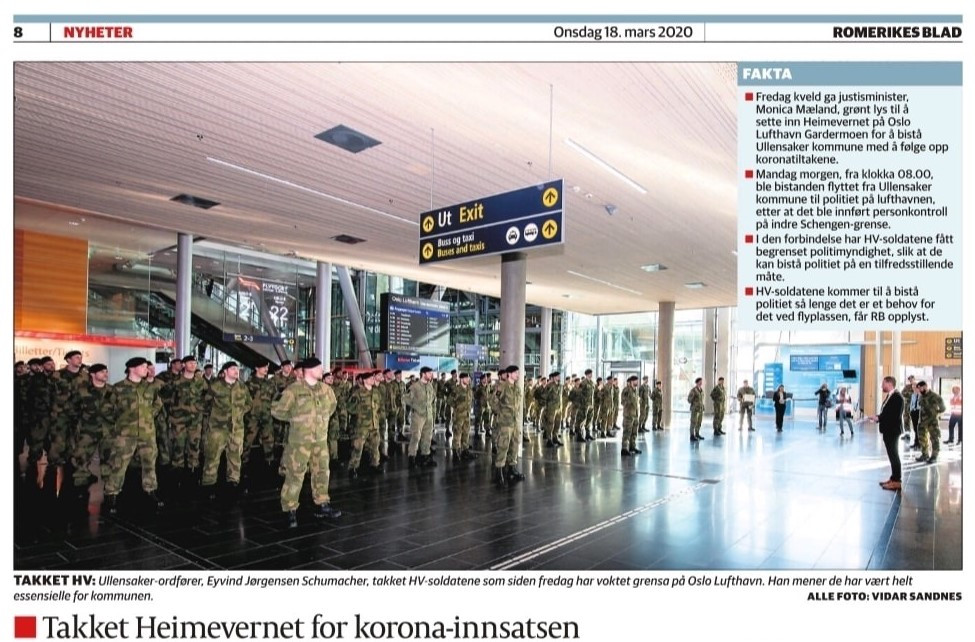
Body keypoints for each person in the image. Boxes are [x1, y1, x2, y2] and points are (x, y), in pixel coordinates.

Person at [271, 357, 341, 528]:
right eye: (319, 368)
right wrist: (297, 421)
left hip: (320, 439)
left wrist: (320, 421)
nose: (322, 370)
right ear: (309, 370)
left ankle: (322, 503)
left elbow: (332, 407)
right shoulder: (293, 390)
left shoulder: (326, 390)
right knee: (295, 474)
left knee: (322, 472)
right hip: (299, 441)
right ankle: (289, 509)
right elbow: (277, 410)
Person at [103, 357, 164, 514]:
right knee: (119, 464)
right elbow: (107, 409)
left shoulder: (150, 387)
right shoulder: (118, 388)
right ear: (132, 368)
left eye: (146, 367)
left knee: (149, 464)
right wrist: (121, 422)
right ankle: (111, 494)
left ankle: (150, 490)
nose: (146, 369)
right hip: (125, 434)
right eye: (143, 367)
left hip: (147, 433)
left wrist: (148, 416)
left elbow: (158, 404)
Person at [201, 362, 252, 498]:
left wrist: (240, 412)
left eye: (237, 369)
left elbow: (249, 403)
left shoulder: (242, 387)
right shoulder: (215, 386)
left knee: (235, 457)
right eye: (233, 369)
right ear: (225, 371)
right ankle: (209, 484)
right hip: (218, 428)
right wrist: (216, 415)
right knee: (212, 456)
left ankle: (233, 482)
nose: (236, 371)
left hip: (237, 429)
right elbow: (205, 403)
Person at [488, 365, 525, 487]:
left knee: (514, 446)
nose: (517, 375)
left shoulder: (517, 388)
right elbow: (492, 400)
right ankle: (498, 473)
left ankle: (512, 469)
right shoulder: (502, 386)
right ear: (509, 374)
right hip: (505, 423)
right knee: (503, 446)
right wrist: (499, 412)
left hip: (515, 422)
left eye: (518, 373)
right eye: (515, 373)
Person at [869, 376, 905, 491]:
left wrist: (879, 418)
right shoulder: (890, 396)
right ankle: (893, 478)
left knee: (894, 455)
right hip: (888, 430)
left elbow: (894, 416)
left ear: (889, 384)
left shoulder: (897, 397)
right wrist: (878, 417)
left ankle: (897, 481)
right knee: (892, 455)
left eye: (883, 383)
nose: (882, 386)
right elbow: (887, 412)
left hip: (892, 430)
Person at [406, 366, 437, 469]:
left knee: (427, 437)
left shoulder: (430, 386)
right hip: (418, 416)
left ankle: (425, 456)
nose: (431, 375)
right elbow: (406, 399)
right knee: (416, 437)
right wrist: (417, 407)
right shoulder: (415, 387)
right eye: (429, 373)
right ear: (423, 374)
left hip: (428, 415)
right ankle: (412, 458)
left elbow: (433, 397)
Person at [915, 381, 946, 464]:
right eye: (918, 389)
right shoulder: (921, 396)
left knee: (934, 438)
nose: (920, 390)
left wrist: (935, 415)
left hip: (932, 422)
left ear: (925, 386)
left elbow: (943, 409)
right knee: (922, 438)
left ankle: (934, 456)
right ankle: (925, 454)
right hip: (922, 422)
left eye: (921, 388)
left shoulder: (935, 396)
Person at [620, 375, 641, 455]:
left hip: (635, 415)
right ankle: (624, 449)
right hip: (628, 415)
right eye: (636, 381)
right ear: (632, 381)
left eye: (637, 381)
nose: (637, 382)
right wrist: (629, 402)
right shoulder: (626, 390)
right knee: (627, 432)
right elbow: (623, 402)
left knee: (634, 432)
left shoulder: (635, 391)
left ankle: (632, 447)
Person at [688, 377, 705, 442]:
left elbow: (701, 400)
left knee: (699, 422)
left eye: (701, 382)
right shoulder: (693, 390)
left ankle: (697, 434)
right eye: (700, 382)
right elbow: (689, 399)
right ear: (697, 382)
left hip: (700, 409)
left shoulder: (701, 390)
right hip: (695, 409)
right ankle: (692, 436)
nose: (701, 383)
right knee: (693, 422)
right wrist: (694, 402)